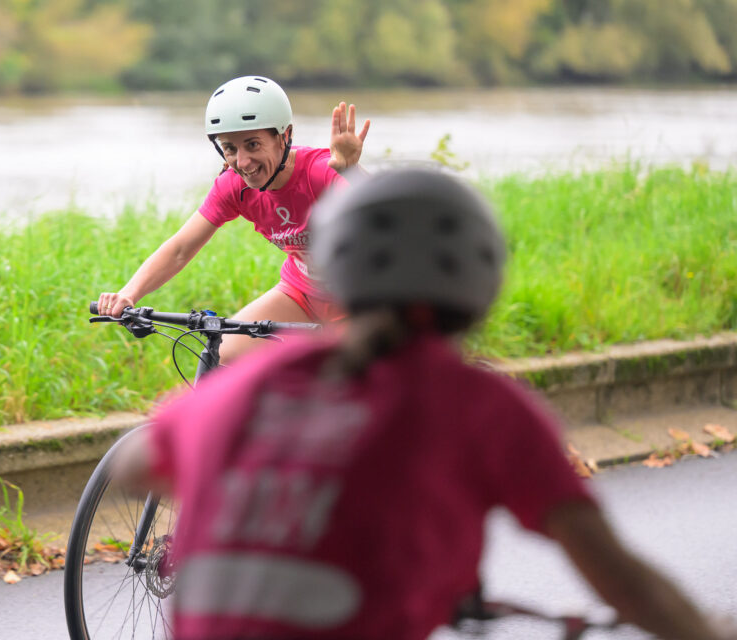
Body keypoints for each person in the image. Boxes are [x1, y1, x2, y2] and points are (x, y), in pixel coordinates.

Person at [115, 168, 737, 639]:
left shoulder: (253, 381)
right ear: (478, 285)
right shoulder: (479, 405)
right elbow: (618, 576)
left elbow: (135, 467)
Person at [95, 75, 370, 362]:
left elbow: (389, 216)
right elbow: (180, 249)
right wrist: (129, 294)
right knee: (222, 354)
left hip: (362, 295)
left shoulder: (320, 171)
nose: (242, 162)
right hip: (301, 293)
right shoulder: (233, 186)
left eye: (253, 145)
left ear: (284, 136)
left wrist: (350, 171)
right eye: (230, 148)